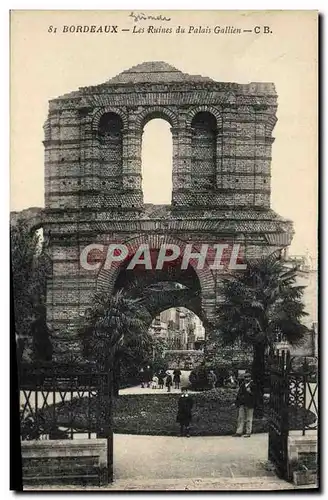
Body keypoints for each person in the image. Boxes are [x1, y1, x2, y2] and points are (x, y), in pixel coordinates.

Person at [233, 372, 256, 437]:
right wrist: (237, 402)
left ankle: (248, 432)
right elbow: (239, 394)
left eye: (248, 377)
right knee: (240, 418)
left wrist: (250, 392)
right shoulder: (242, 385)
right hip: (242, 404)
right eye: (245, 377)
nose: (246, 378)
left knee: (249, 418)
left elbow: (256, 395)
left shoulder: (253, 385)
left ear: (250, 378)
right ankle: (239, 432)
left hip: (250, 404)